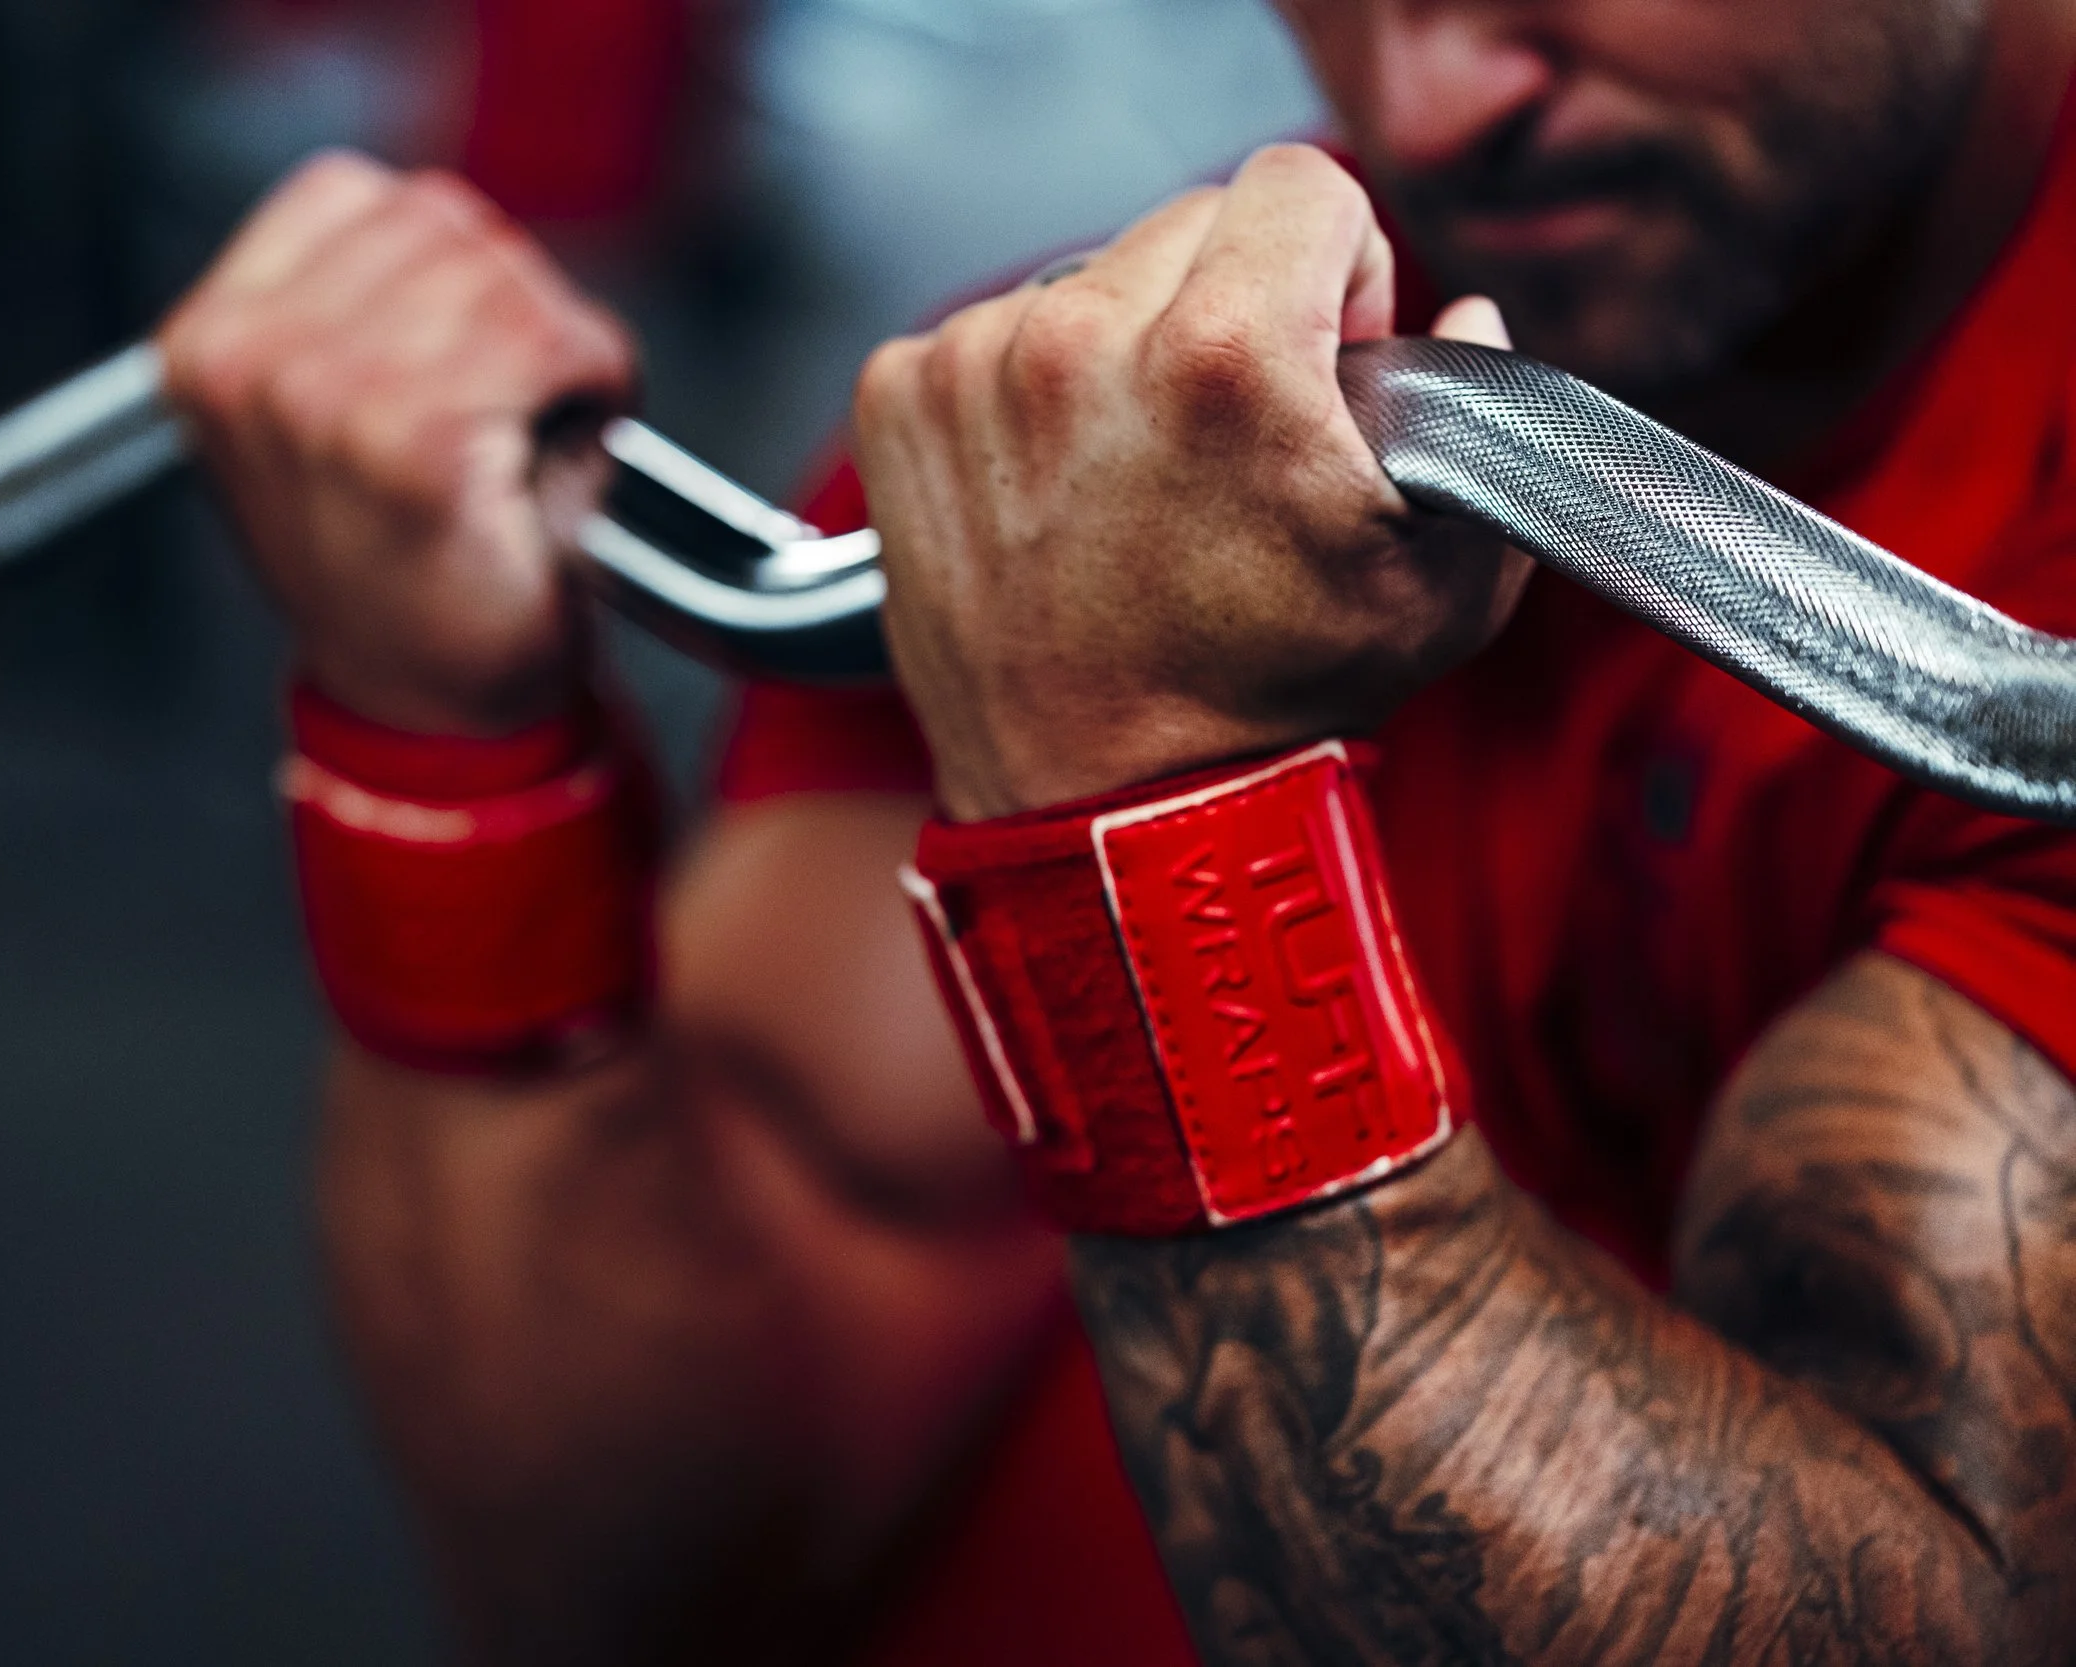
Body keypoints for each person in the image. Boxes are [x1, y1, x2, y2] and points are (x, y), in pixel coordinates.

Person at [156, 0, 2076, 1652]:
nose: (1421, 103)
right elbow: (653, 1575)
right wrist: (448, 757)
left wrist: (1157, 816)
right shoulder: (1109, 428)